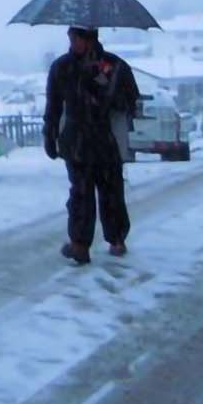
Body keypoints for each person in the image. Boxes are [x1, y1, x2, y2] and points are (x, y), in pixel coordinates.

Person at [44, 26, 140, 265]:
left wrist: (102, 85)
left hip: (105, 138)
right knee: (80, 192)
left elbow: (130, 100)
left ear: (90, 39)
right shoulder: (62, 67)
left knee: (111, 191)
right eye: (71, 37)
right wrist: (50, 134)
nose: (72, 42)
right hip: (75, 140)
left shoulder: (114, 65)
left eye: (77, 38)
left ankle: (116, 238)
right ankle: (80, 244)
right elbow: (53, 105)